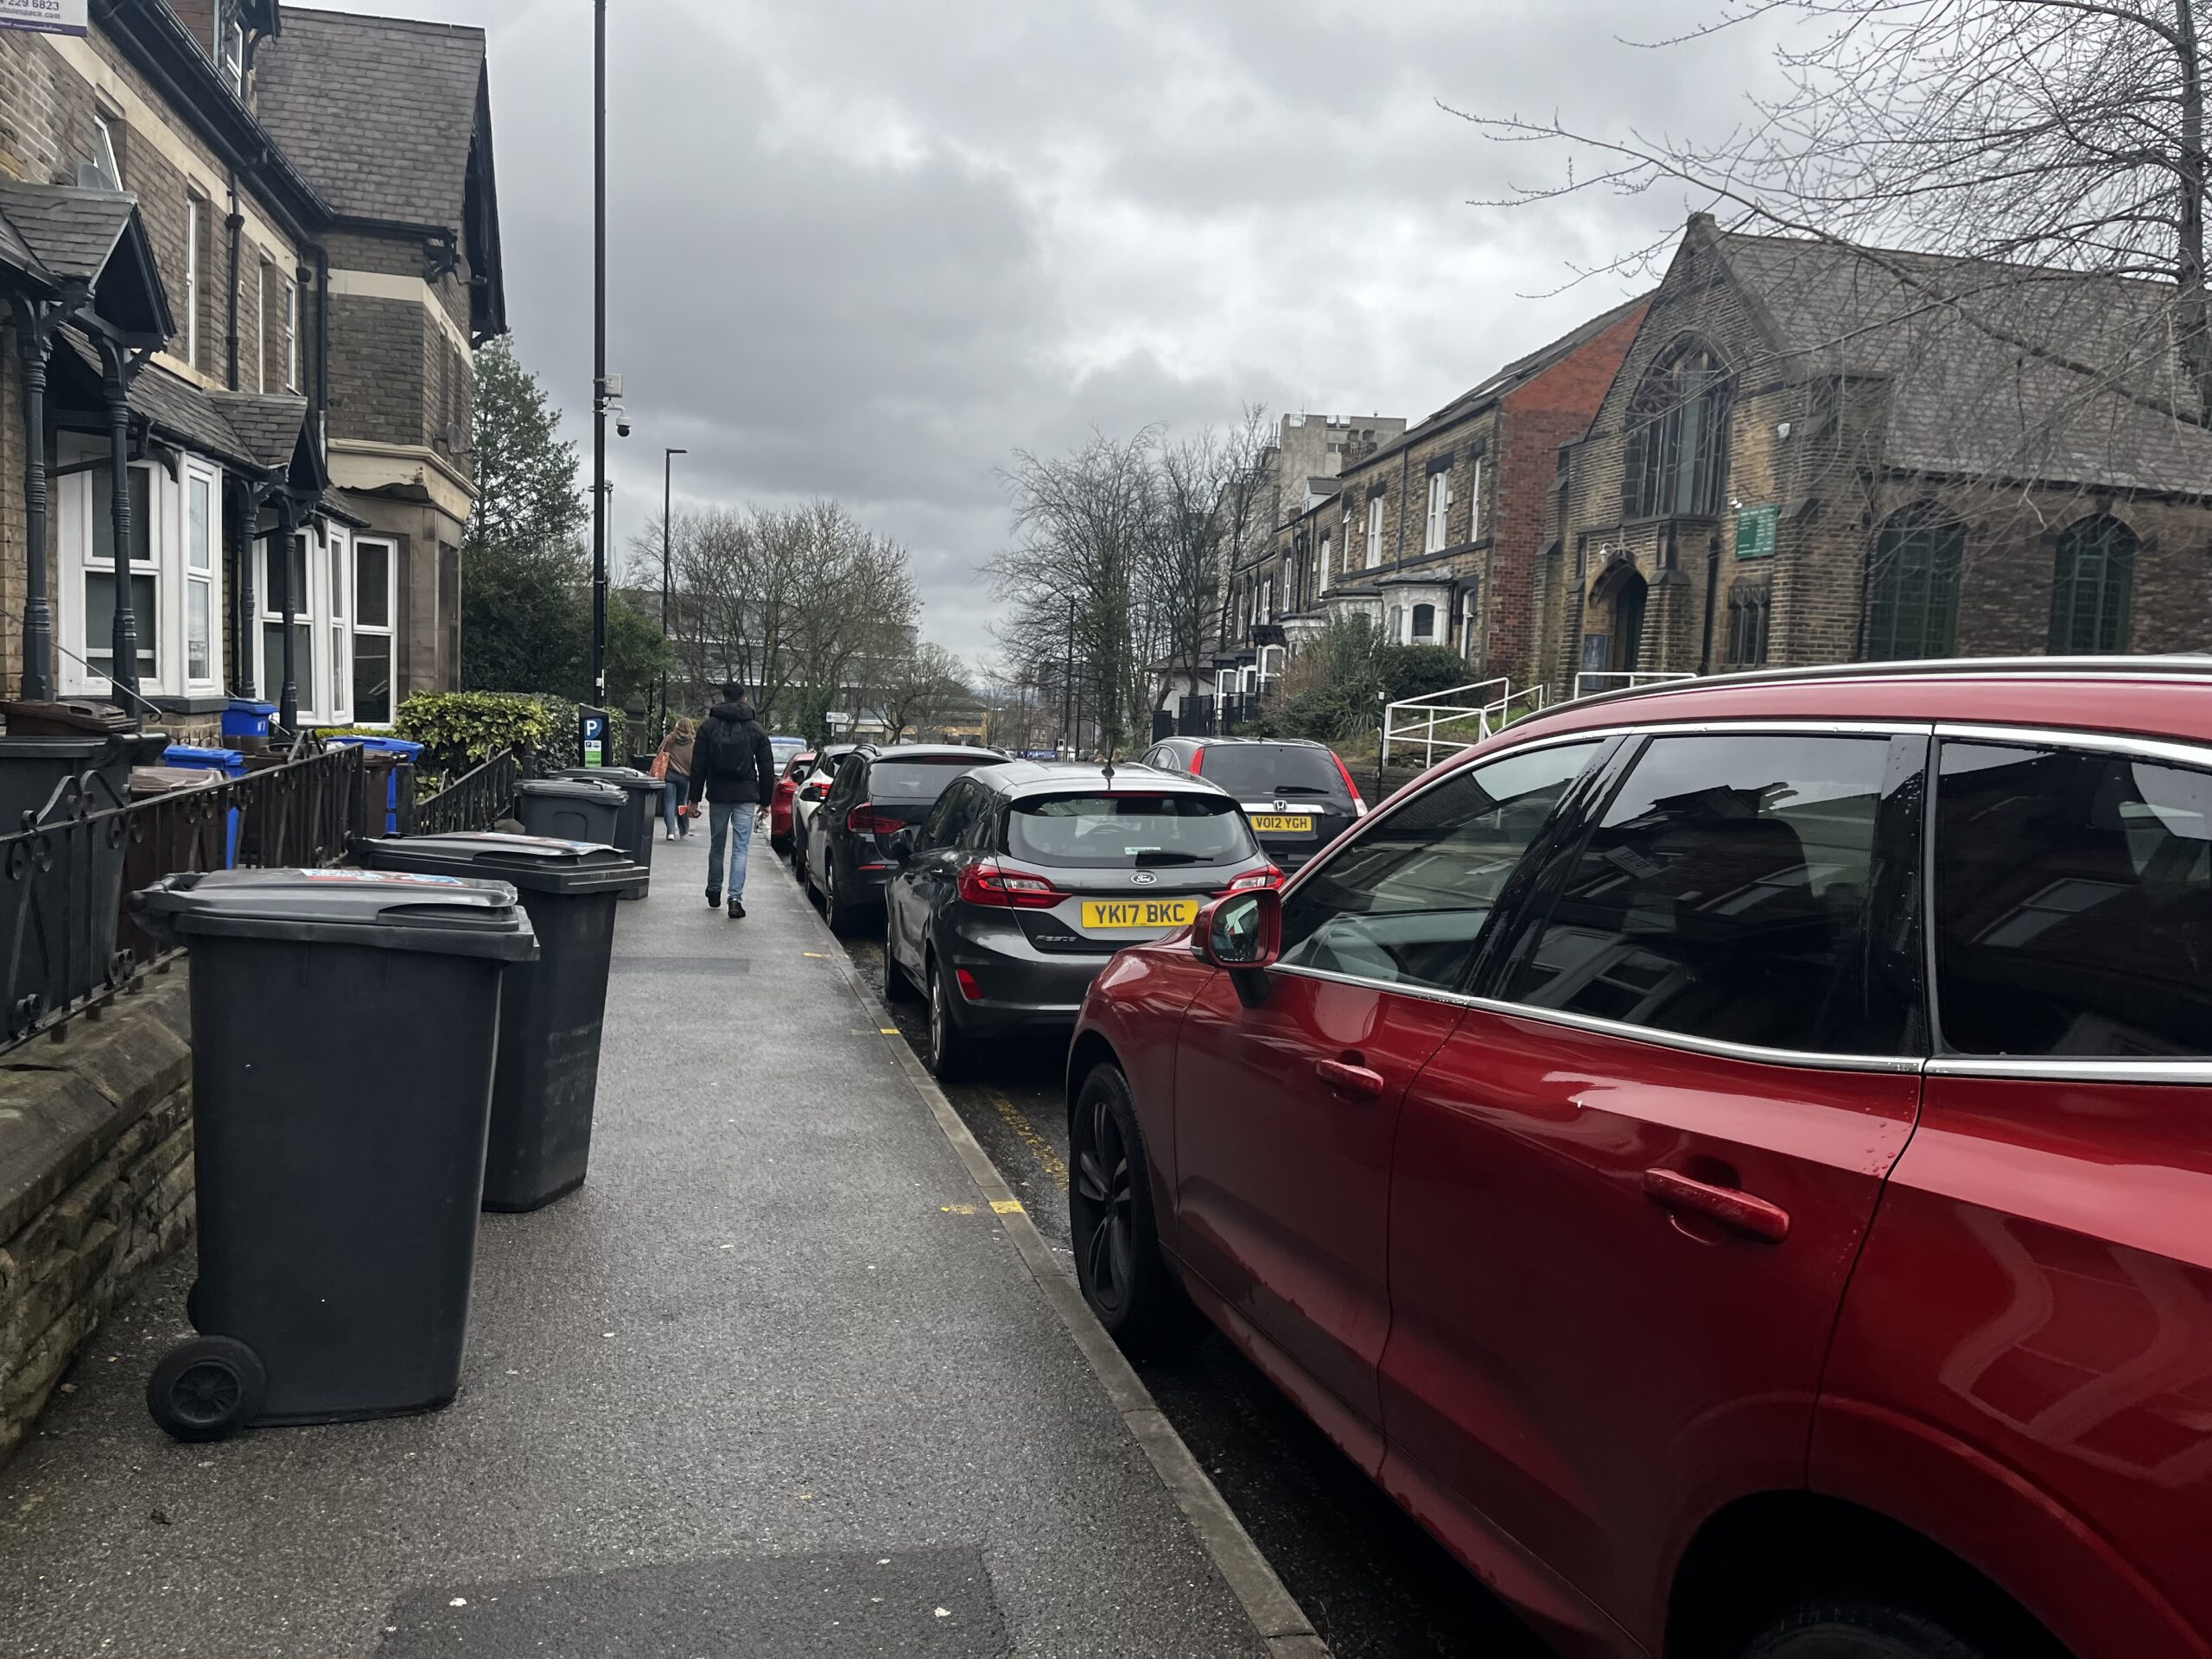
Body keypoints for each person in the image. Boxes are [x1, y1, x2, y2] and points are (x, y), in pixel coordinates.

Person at [690, 684, 775, 918]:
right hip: (746, 795)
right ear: (744, 699)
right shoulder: (756, 729)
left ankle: (714, 889)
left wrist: (693, 799)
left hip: (718, 793)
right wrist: (766, 801)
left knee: (717, 845)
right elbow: (767, 768)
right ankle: (735, 898)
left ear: (723, 698)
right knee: (740, 849)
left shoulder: (708, 727)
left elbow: (698, 766)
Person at [656, 718, 696, 840]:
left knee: (669, 803)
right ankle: (683, 830)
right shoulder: (693, 742)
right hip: (685, 777)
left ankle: (670, 832)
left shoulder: (670, 739)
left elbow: (660, 752)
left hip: (670, 775)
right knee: (682, 803)